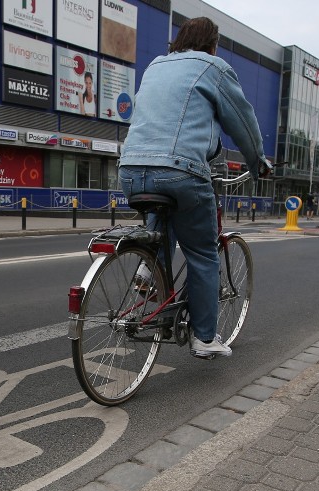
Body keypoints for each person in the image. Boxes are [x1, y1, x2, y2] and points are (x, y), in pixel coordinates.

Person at [118, 16, 272, 359]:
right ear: (213, 45)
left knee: (163, 221)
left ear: (178, 41)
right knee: (202, 253)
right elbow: (242, 121)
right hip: (181, 172)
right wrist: (258, 162)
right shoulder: (214, 67)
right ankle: (204, 338)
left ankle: (149, 268)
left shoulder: (156, 66)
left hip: (129, 170)